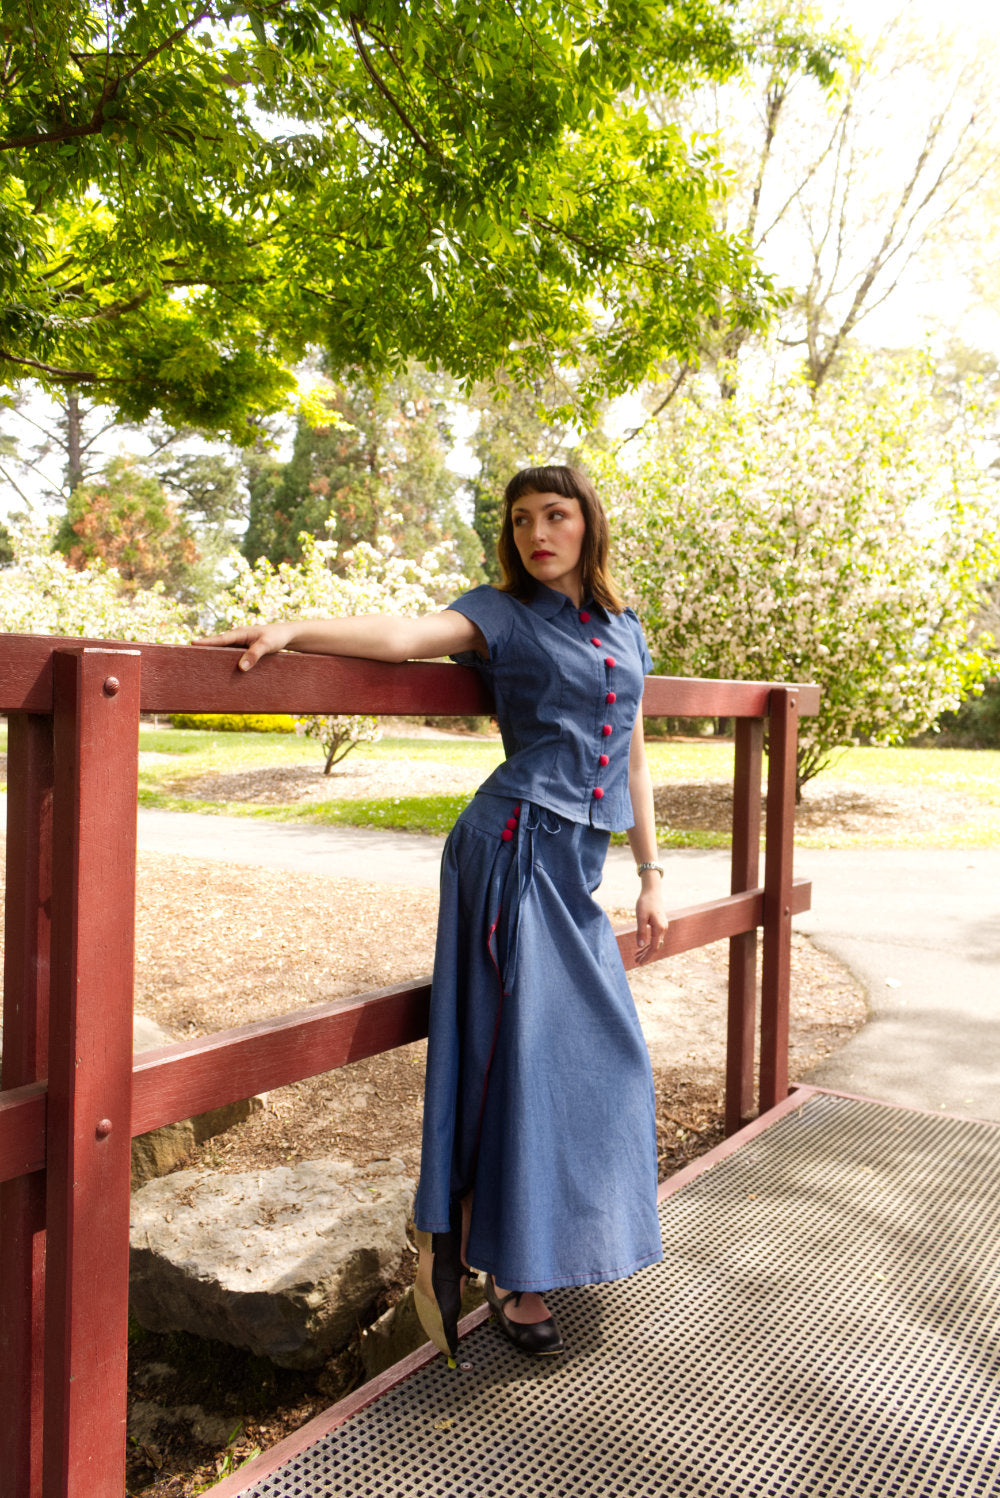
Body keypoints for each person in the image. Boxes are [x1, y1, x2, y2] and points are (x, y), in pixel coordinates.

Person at [195, 465, 668, 1364]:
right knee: (517, 1062)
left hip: (575, 867)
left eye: (556, 515)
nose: (539, 531)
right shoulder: (499, 613)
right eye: (523, 518)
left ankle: (548, 1244)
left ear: (587, 523)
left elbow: (636, 760)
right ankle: (514, 1273)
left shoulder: (623, 626)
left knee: (609, 1058)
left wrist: (650, 873)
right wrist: (296, 625)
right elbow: (409, 636)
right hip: (511, 848)